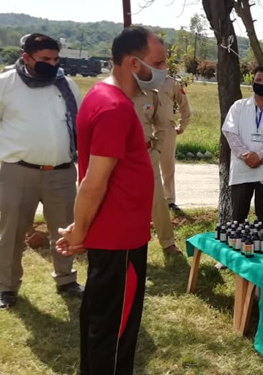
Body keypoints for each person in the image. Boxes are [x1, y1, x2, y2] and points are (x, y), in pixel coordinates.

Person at [55, 26, 158, 375]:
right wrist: (80, 233)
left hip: (114, 235)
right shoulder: (115, 108)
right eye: (158, 63)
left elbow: (95, 179)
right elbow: (94, 182)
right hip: (121, 242)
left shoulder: (101, 95)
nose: (163, 72)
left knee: (101, 322)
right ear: (134, 64)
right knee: (114, 333)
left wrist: (82, 226)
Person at [0, 33, 84, 309]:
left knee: (64, 230)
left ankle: (66, 279)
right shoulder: (5, 84)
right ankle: (6, 287)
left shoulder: (66, 85)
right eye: (45, 59)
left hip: (61, 172)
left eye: (56, 59)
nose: (52, 64)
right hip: (18, 172)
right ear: (26, 57)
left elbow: (81, 124)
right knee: (11, 232)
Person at [222, 66, 263, 224]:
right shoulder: (238, 106)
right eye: (258, 80)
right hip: (242, 170)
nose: (261, 84)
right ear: (252, 82)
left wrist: (259, 155)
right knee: (237, 220)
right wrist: (247, 155)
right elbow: (230, 133)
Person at [131, 83, 182, 256]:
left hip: (147, 153)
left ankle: (168, 243)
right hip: (120, 156)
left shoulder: (151, 94)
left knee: (158, 198)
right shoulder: (115, 91)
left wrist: (157, 148)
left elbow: (162, 123)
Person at [158, 75, 192, 211]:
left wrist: (182, 125)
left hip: (166, 129)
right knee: (144, 166)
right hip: (145, 129)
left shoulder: (171, 82)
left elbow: (184, 105)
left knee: (167, 167)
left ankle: (169, 200)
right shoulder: (141, 79)